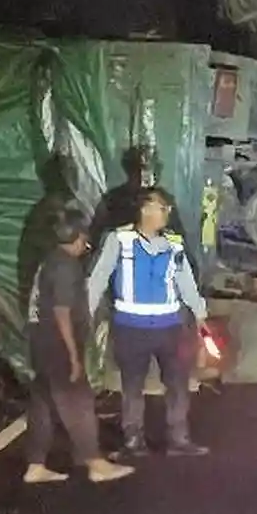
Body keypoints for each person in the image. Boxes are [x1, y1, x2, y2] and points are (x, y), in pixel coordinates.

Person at [87, 186, 210, 458]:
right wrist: (85, 314)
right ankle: (133, 439)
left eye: (167, 208)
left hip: (170, 328)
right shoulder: (119, 240)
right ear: (144, 210)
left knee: (177, 384)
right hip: (131, 328)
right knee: (132, 386)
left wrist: (200, 315)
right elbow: (97, 279)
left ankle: (179, 439)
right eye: (161, 207)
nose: (167, 213)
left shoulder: (174, 243)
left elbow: (185, 281)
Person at [24, 208, 134, 484]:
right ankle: (95, 462)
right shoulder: (66, 266)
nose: (86, 243)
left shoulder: (49, 260)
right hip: (59, 345)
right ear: (76, 236)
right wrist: (73, 355)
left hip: (40, 342)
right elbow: (62, 312)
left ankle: (36, 465)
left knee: (44, 404)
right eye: (84, 236)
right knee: (79, 401)